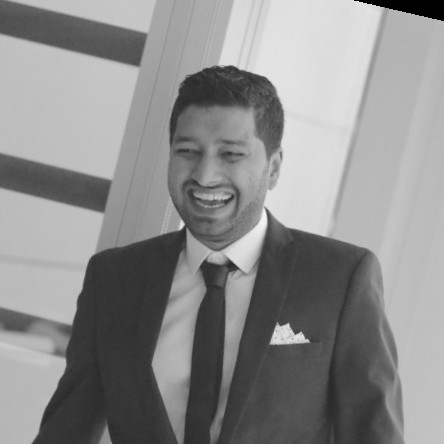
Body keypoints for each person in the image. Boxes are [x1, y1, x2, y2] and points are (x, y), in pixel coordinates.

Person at [33, 65, 404, 444]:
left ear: (274, 168)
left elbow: (373, 432)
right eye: (188, 151)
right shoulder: (115, 278)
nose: (205, 175)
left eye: (231, 154)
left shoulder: (339, 278)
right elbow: (67, 430)